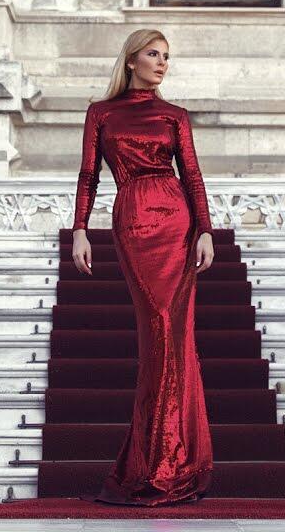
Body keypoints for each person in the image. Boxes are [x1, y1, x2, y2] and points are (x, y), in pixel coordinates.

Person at [70, 28, 216, 506]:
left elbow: (192, 174)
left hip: (176, 222)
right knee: (157, 331)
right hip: (133, 221)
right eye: (154, 54)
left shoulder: (175, 115)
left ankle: (171, 464)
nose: (162, 62)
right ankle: (157, 461)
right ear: (132, 60)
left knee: (174, 335)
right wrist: (79, 230)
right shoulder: (101, 113)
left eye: (167, 56)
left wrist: (206, 230)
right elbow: (89, 175)